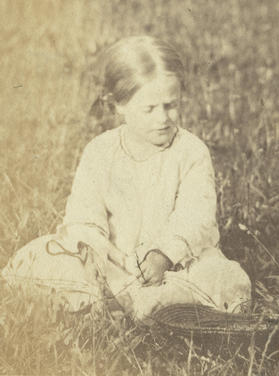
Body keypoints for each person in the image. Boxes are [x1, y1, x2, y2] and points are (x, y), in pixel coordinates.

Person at [1, 36, 251, 320]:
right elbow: (84, 214)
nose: (163, 118)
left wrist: (164, 254)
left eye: (171, 105)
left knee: (219, 277)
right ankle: (112, 302)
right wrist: (93, 255)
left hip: (176, 266)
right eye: (149, 109)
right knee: (51, 256)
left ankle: (161, 308)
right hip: (114, 265)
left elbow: (196, 216)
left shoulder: (190, 152)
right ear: (118, 105)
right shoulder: (100, 151)